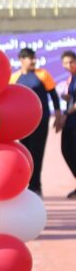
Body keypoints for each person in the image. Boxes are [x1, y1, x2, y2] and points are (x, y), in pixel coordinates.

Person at [11, 47, 64, 196]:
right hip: (21, 123)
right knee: (24, 153)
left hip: (41, 120)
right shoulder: (14, 78)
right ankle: (25, 184)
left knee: (37, 152)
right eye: (30, 58)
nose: (34, 61)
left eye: (34, 58)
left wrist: (58, 115)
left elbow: (53, 95)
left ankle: (36, 186)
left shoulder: (43, 74)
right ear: (21, 60)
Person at [59, 50, 76, 198]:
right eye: (65, 63)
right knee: (66, 150)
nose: (69, 65)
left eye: (71, 62)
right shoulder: (71, 78)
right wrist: (67, 97)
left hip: (72, 119)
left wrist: (65, 114)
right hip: (71, 121)